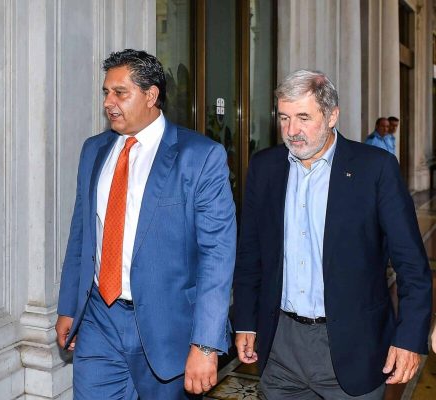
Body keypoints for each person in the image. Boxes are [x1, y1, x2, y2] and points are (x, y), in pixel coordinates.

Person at [232, 69, 432, 399]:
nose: (291, 131)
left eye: (303, 117)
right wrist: (245, 321)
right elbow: (250, 254)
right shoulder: (265, 167)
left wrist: (409, 338)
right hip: (280, 345)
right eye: (283, 118)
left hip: (354, 347)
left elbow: (412, 264)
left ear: (332, 116)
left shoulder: (375, 168)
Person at [55, 49, 237, 399]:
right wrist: (68, 308)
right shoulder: (94, 150)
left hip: (167, 326)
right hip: (98, 320)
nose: (109, 102)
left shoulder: (199, 157)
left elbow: (218, 255)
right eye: (106, 92)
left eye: (120, 93)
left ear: (151, 95)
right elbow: (81, 236)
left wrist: (205, 343)